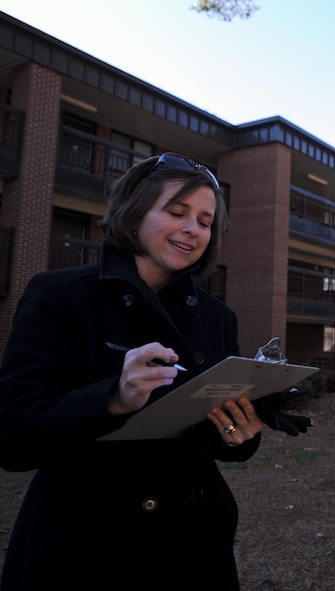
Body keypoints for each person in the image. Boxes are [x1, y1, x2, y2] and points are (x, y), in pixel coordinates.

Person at [0, 153, 264, 590]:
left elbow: (211, 440)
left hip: (193, 548)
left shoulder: (218, 319)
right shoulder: (60, 297)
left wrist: (236, 436)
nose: (192, 229)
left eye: (204, 220)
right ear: (135, 213)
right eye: (176, 212)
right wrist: (111, 399)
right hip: (86, 549)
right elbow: (12, 438)